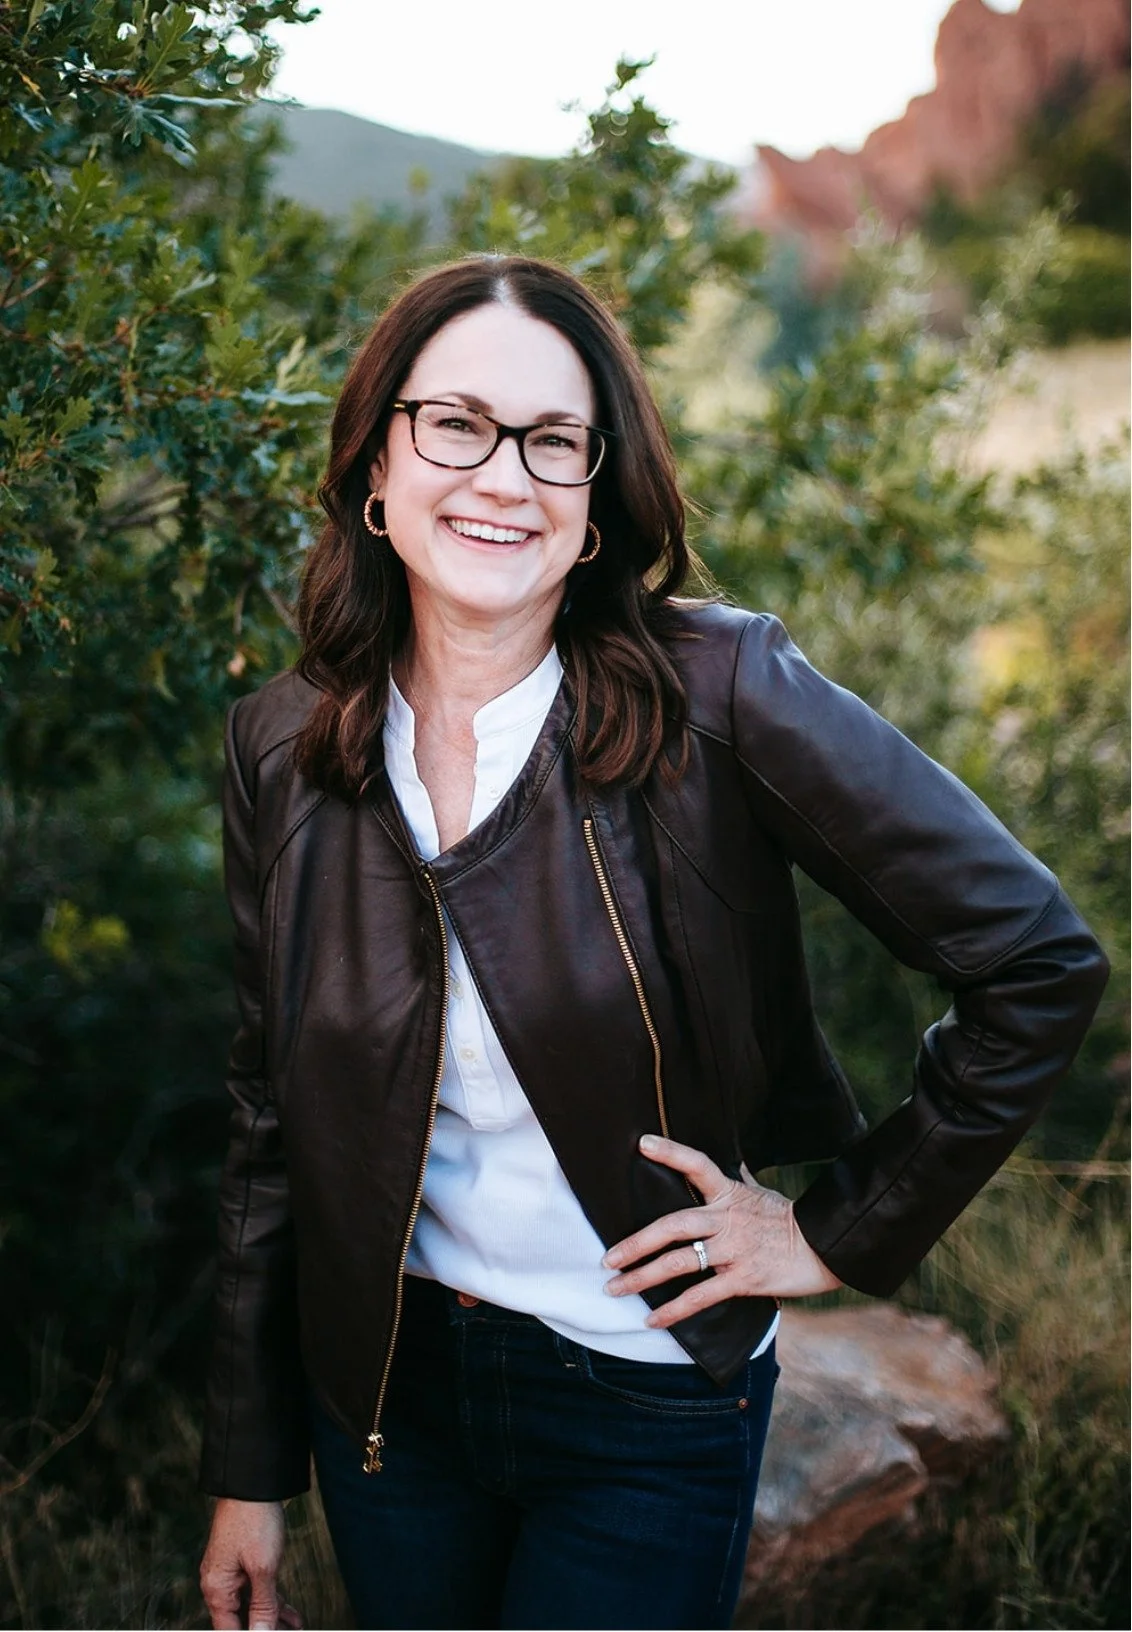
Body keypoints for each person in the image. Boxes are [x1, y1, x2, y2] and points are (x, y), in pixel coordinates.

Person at [197, 255, 1108, 1632]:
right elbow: (271, 1118)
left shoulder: (718, 693)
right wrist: (249, 1470)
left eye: (552, 442)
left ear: (594, 503)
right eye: (456, 424)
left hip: (643, 1396)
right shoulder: (283, 746)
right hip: (389, 1404)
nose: (503, 477)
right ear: (377, 466)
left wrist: (839, 1229)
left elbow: (1037, 959)